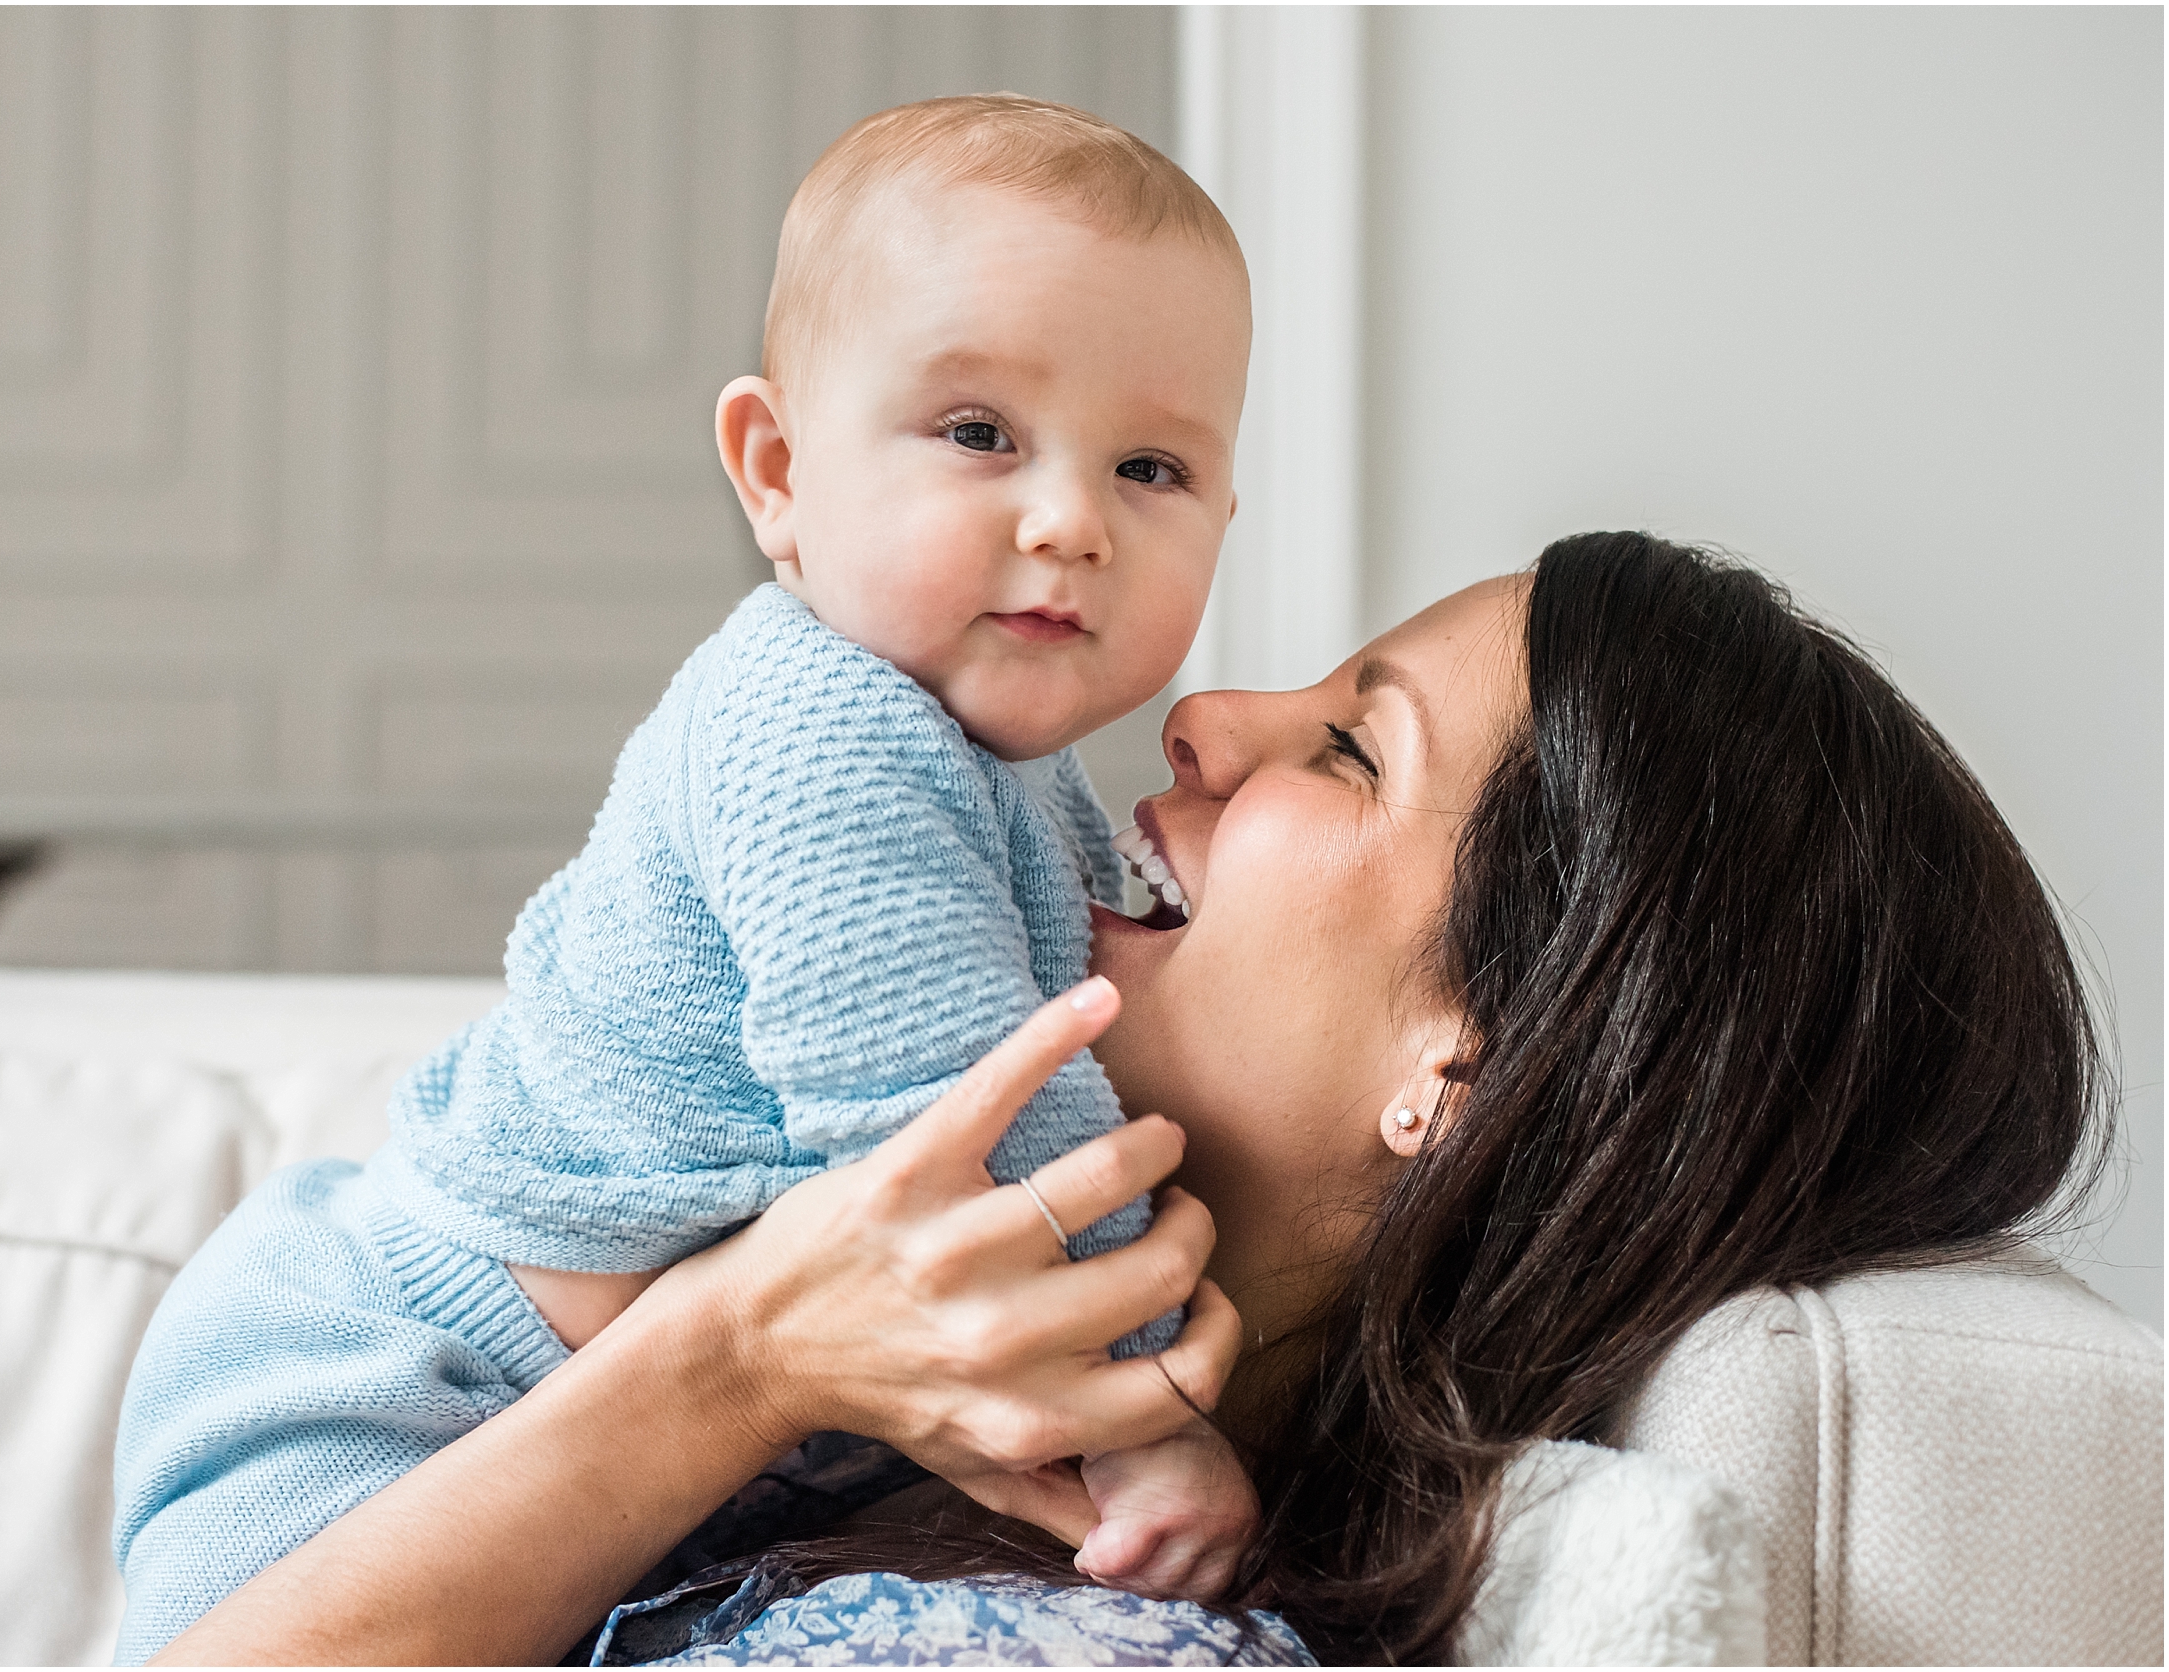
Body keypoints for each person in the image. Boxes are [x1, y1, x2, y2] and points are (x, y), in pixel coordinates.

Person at [133, 532, 2105, 1665]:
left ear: (1469, 1055)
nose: (1205, 716)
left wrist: (728, 1362)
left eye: (1346, 745)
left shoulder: (1099, 1630)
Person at [113, 91, 1261, 1660]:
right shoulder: (818, 728)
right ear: (776, 470)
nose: (1071, 522)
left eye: (1150, 468)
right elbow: (961, 1116)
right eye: (981, 434)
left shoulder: (1009, 760)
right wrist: (1142, 1413)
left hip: (573, 1407)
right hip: (389, 1377)